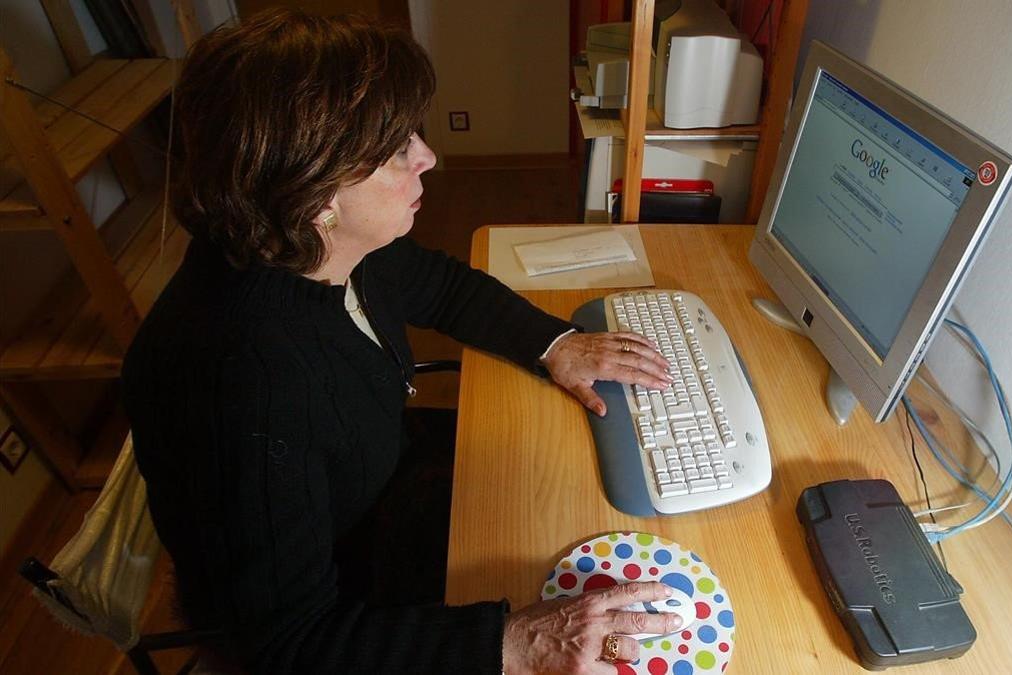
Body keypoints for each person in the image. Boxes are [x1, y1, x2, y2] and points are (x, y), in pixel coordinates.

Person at [121, 9, 683, 674]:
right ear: (314, 192)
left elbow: (440, 285)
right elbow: (286, 645)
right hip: (338, 595)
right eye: (395, 150)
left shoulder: (320, 243)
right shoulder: (246, 382)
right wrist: (512, 642)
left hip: (370, 484)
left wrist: (555, 342)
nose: (427, 156)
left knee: (575, 494)